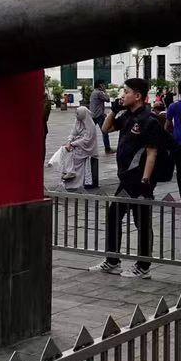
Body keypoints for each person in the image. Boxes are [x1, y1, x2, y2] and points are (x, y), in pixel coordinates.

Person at [90, 78, 160, 279]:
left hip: (139, 179)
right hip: (126, 178)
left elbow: (152, 152)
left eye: (126, 92)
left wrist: (146, 180)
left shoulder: (149, 119)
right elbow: (105, 129)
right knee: (114, 215)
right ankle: (113, 261)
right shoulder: (127, 116)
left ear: (137, 96)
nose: (123, 95)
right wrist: (113, 111)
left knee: (141, 221)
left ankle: (143, 266)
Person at [59, 107, 99, 189]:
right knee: (64, 150)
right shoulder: (77, 121)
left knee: (73, 154)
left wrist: (73, 144)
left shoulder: (90, 125)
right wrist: (69, 142)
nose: (76, 115)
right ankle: (68, 171)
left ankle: (71, 172)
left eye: (78, 114)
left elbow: (88, 140)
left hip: (87, 148)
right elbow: (73, 133)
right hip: (79, 144)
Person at [89, 80, 113, 153]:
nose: (104, 86)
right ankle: (107, 149)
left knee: (89, 131)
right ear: (100, 85)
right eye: (103, 85)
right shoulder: (99, 93)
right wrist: (105, 91)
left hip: (93, 114)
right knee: (105, 131)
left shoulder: (93, 92)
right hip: (99, 115)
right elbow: (108, 99)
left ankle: (87, 147)